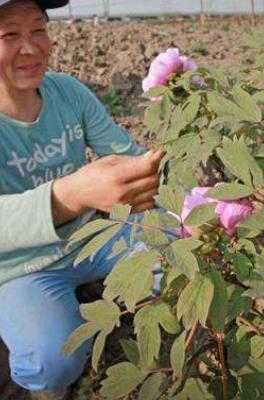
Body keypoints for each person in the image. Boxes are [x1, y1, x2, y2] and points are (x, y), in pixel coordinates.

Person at [0, 1, 163, 399]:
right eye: (9, 35)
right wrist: (69, 194)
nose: (30, 48)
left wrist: (166, 169)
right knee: (49, 361)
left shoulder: (67, 93)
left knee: (180, 244)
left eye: (38, 30)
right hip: (21, 265)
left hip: (91, 239)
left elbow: (127, 154)